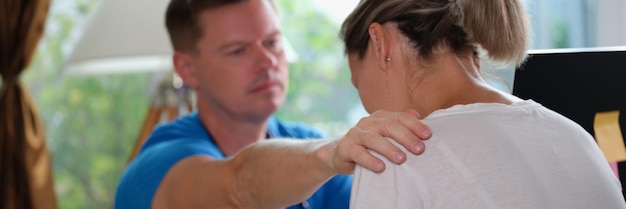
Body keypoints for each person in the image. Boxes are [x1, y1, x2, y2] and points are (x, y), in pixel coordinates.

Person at [114, 0, 433, 208]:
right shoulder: (160, 162)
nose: (267, 61)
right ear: (187, 68)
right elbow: (237, 186)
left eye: (272, 43)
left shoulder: (316, 153)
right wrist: (332, 155)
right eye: (238, 50)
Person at [341, 0, 626, 208]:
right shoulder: (578, 138)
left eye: (357, 82)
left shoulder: (394, 156)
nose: (367, 107)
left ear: (380, 44)